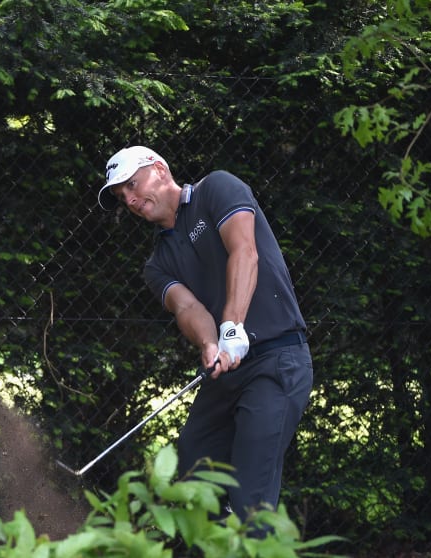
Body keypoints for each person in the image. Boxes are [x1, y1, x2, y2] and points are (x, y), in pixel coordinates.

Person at [96, 145, 313, 525]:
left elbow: (244, 251)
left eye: (132, 184)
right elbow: (188, 308)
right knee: (195, 468)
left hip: (278, 359)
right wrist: (211, 343)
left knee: (251, 497)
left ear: (160, 169)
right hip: (227, 368)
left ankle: (251, 538)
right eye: (120, 195)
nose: (129, 199)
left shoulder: (217, 189)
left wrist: (232, 325)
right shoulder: (157, 263)